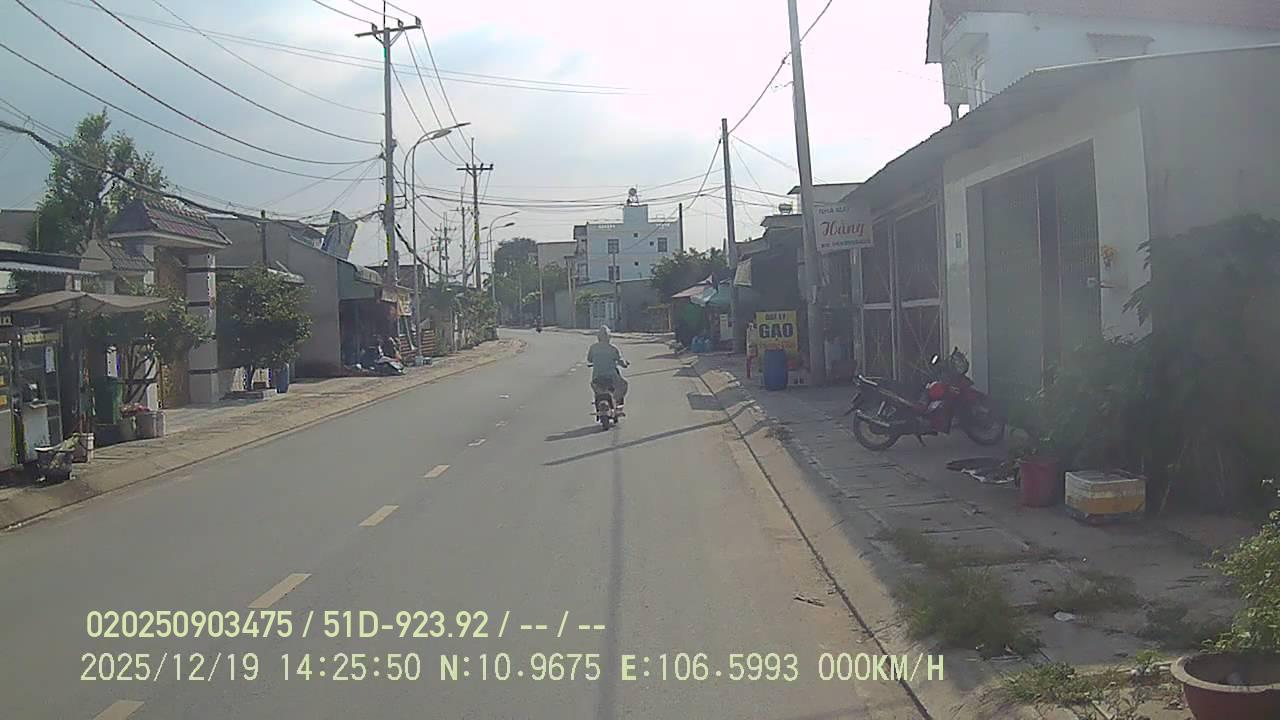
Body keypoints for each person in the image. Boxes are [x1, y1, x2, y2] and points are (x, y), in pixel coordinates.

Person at [587, 325, 628, 406]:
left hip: (597, 377)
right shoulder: (613, 348)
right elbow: (620, 361)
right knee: (624, 385)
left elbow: (589, 359)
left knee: (596, 387)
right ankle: (615, 400)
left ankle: (600, 400)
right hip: (611, 377)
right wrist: (625, 364)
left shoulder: (593, 347)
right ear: (609, 337)